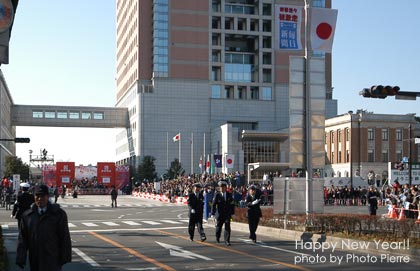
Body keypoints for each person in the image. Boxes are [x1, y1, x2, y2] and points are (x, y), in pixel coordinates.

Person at [16, 184, 72, 271]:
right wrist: (20, 257)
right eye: (37, 196)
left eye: (42, 196)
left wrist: (65, 256)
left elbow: (64, 237)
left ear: (48, 196)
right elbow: (23, 239)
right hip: (35, 258)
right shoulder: (27, 216)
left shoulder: (58, 214)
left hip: (53, 258)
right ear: (33, 197)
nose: (39, 199)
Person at [211, 181, 235, 246]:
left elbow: (232, 204)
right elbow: (213, 204)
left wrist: (232, 213)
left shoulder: (229, 195)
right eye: (220, 187)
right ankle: (217, 237)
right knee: (219, 227)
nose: (221, 188)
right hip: (219, 214)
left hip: (227, 214)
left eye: (223, 187)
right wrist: (212, 213)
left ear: (225, 188)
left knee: (227, 227)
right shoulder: (217, 195)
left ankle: (227, 240)